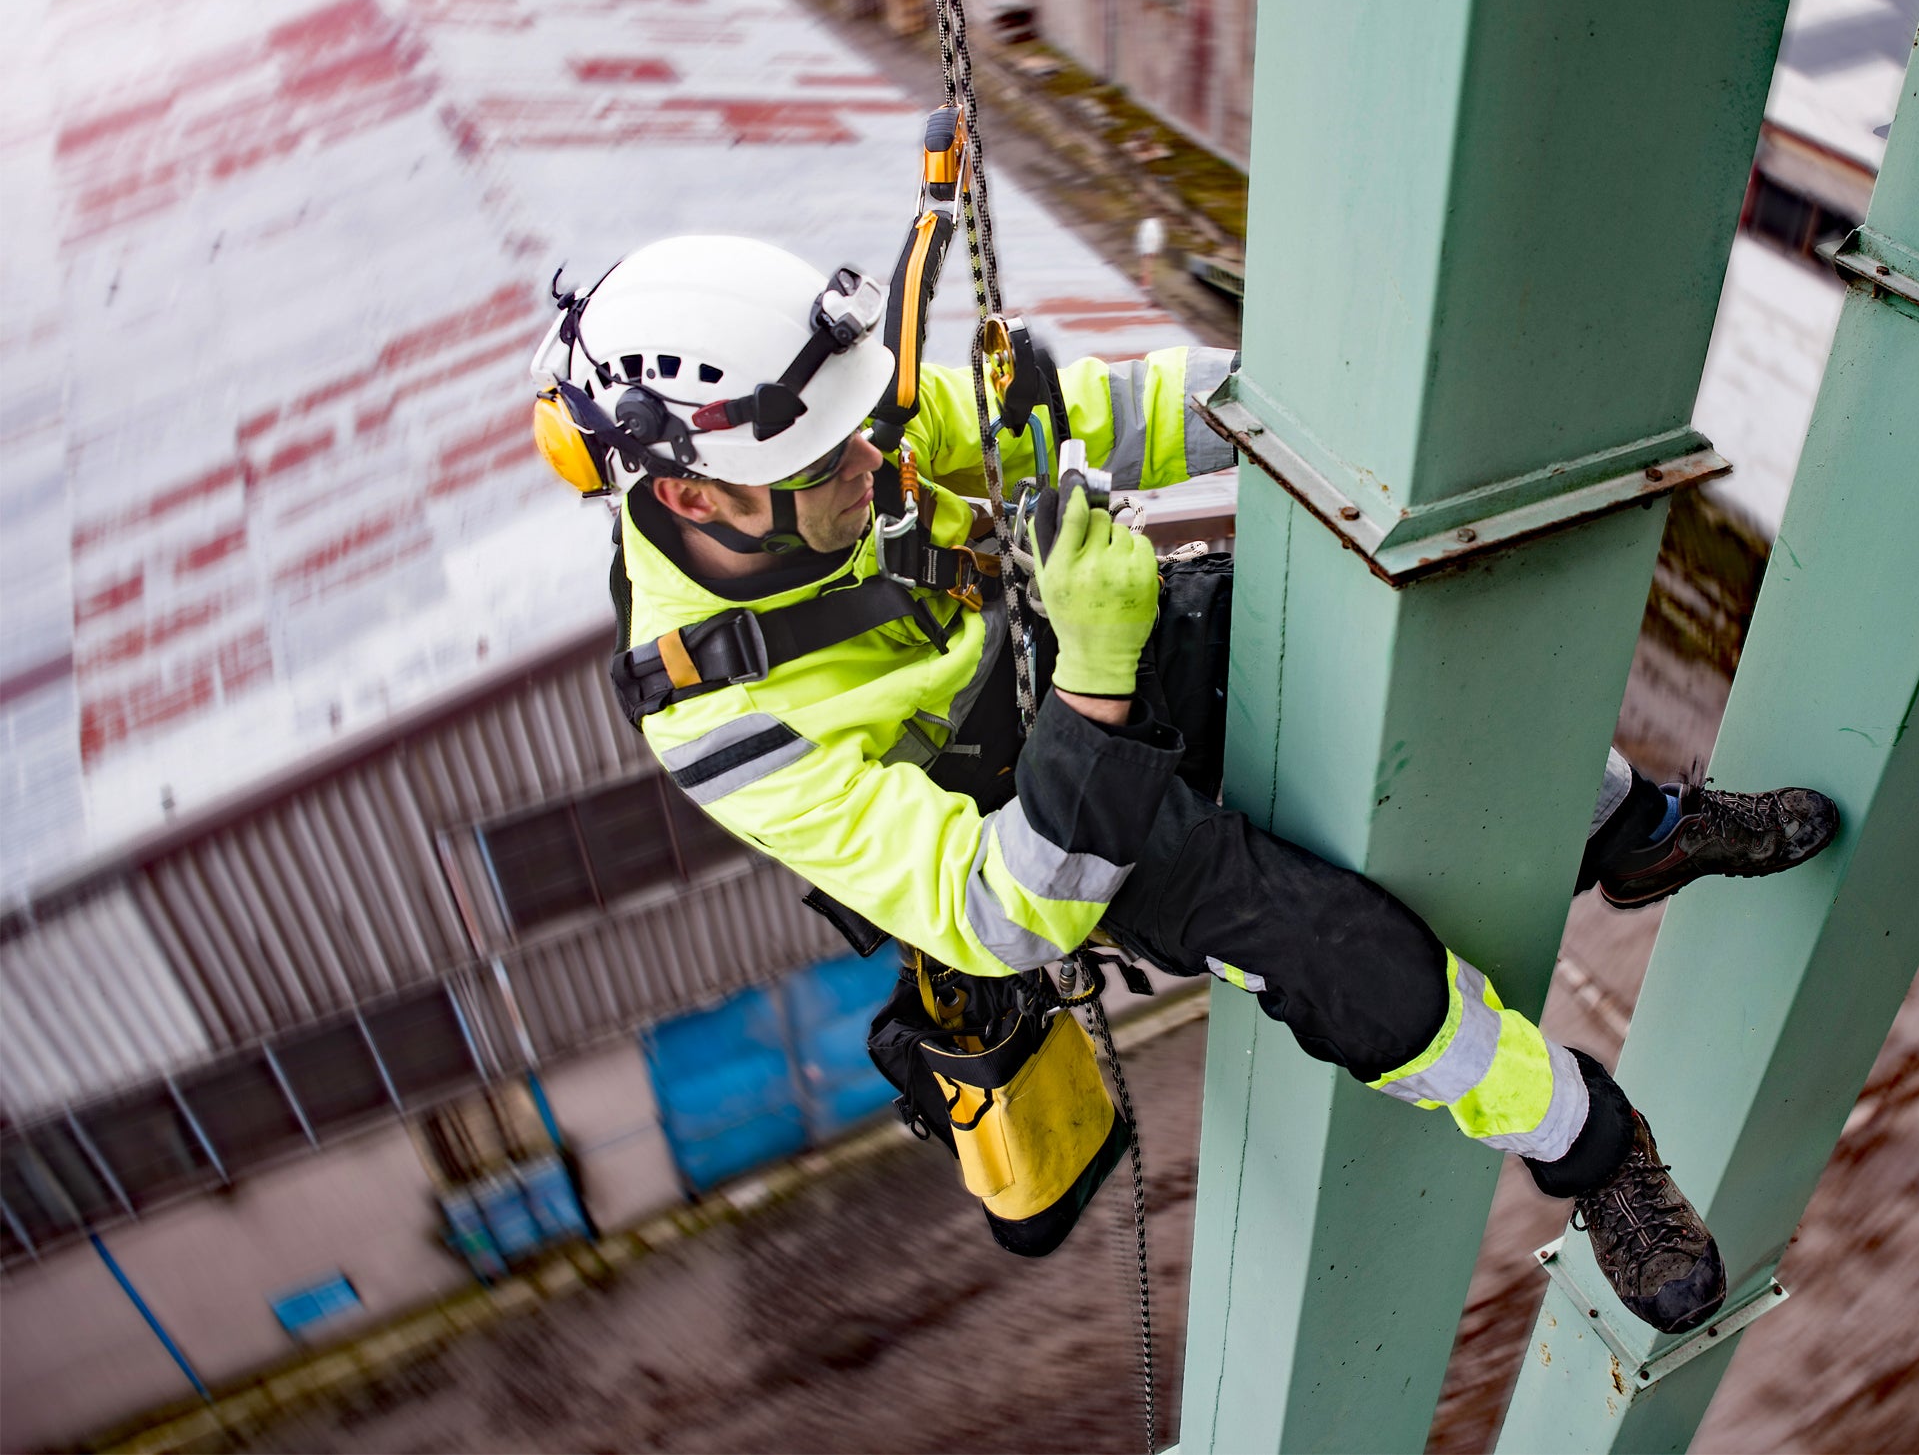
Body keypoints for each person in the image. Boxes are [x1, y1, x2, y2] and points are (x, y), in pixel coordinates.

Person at [529, 234, 1838, 1333]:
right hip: (1048, 829)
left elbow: (1097, 412)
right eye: (832, 471)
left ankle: (1644, 832)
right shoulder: (718, 715)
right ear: (701, 492)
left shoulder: (831, 433)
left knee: (1387, 680)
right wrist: (1096, 669)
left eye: (867, 434)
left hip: (1081, 654)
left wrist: (1292, 404)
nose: (877, 464)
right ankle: (1593, 1145)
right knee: (1338, 952)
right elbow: (996, 915)